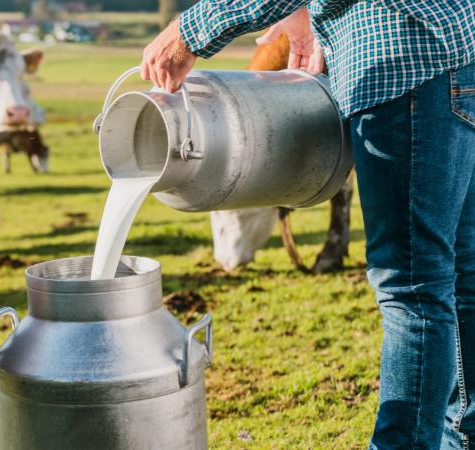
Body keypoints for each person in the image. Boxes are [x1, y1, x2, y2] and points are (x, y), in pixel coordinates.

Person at [141, 1, 475, 448]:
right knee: (459, 271)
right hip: (454, 57)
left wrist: (190, 31)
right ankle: (463, 437)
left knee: (412, 284)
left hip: (405, 57)